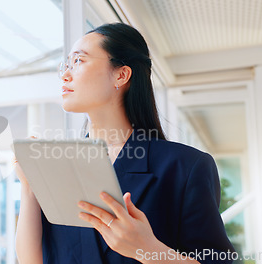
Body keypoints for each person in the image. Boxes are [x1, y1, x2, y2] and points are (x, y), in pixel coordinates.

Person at [14, 23, 235, 264]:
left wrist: (149, 250)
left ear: (121, 75)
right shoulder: (62, 163)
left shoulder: (186, 166)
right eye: (66, 65)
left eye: (79, 61)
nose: (65, 74)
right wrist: (29, 187)